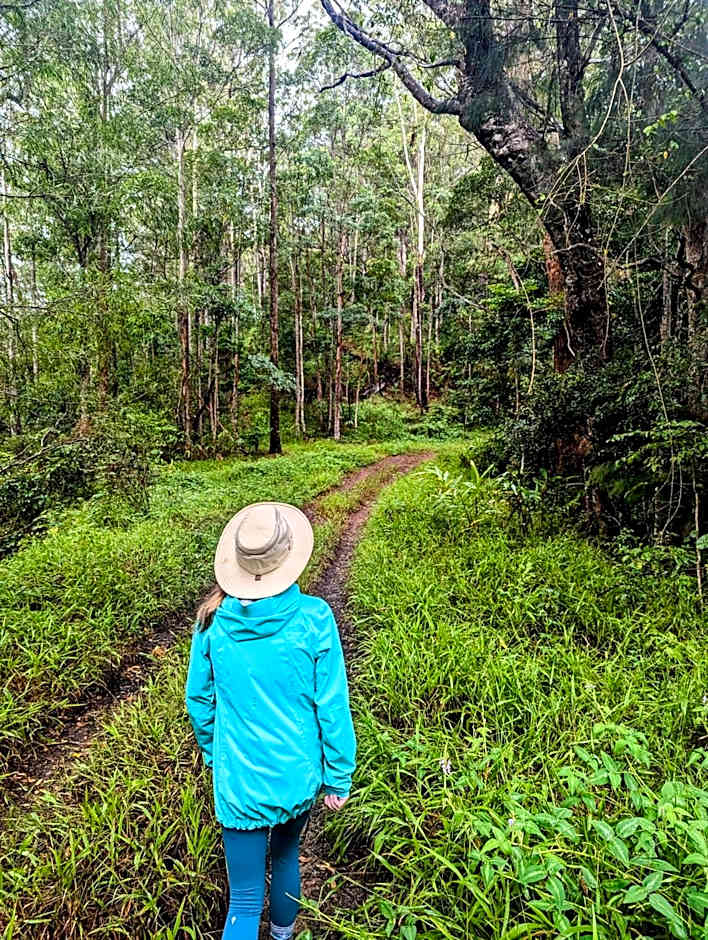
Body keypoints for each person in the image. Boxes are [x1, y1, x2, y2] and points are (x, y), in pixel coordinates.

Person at [185, 501, 357, 940]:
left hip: (239, 781)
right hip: (296, 775)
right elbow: (332, 705)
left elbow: (198, 702)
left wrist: (215, 754)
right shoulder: (315, 618)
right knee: (286, 857)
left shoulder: (211, 622)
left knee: (242, 899)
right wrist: (338, 776)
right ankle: (283, 936)